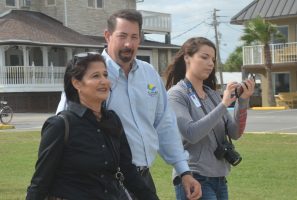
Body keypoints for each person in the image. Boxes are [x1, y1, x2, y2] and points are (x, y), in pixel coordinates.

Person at [56, 9, 201, 200]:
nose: (128, 44)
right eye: (122, 36)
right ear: (107, 36)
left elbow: (165, 124)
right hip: (103, 183)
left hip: (142, 177)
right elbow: (64, 125)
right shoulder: (88, 75)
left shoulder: (149, 74)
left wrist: (184, 171)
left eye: (134, 37)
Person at [26, 53, 159, 200]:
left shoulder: (112, 120)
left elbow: (128, 171)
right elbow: (40, 183)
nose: (104, 81)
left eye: (105, 74)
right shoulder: (60, 126)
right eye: (96, 76)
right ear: (77, 83)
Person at [164, 37, 255, 200]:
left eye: (213, 59)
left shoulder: (212, 94)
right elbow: (191, 133)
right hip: (193, 176)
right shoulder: (176, 94)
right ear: (187, 58)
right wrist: (224, 103)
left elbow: (235, 133)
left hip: (219, 179)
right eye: (204, 57)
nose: (211, 63)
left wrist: (243, 100)